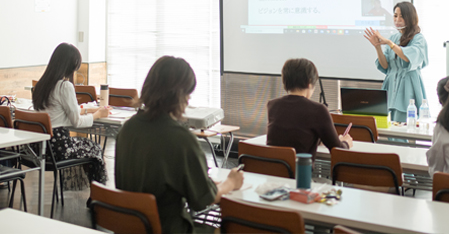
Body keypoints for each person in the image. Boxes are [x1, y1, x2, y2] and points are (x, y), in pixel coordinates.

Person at [115, 56, 243, 234]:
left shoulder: (127, 129)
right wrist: (230, 183)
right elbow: (204, 199)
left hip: (132, 226)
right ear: (179, 95)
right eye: (188, 95)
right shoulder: (181, 139)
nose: (188, 102)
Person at [32, 43, 110, 191]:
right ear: (70, 66)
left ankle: (95, 193)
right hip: (58, 147)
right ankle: (98, 194)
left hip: (40, 148)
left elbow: (57, 112)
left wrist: (88, 110)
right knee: (95, 148)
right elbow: (77, 122)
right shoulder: (65, 86)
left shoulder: (41, 85)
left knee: (90, 147)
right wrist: (98, 114)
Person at [267, 58, 353, 160]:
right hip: (301, 173)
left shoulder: (272, 105)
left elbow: (292, 137)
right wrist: (346, 143)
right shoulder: (318, 110)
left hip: (272, 172)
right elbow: (338, 151)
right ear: (309, 82)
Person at [364, 1, 428, 122]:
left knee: (405, 127)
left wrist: (389, 43)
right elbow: (386, 66)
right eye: (395, 15)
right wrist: (377, 47)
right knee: (389, 127)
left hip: (408, 87)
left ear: (410, 18)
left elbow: (408, 57)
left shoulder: (418, 38)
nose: (397, 19)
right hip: (391, 86)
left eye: (402, 16)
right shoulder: (393, 38)